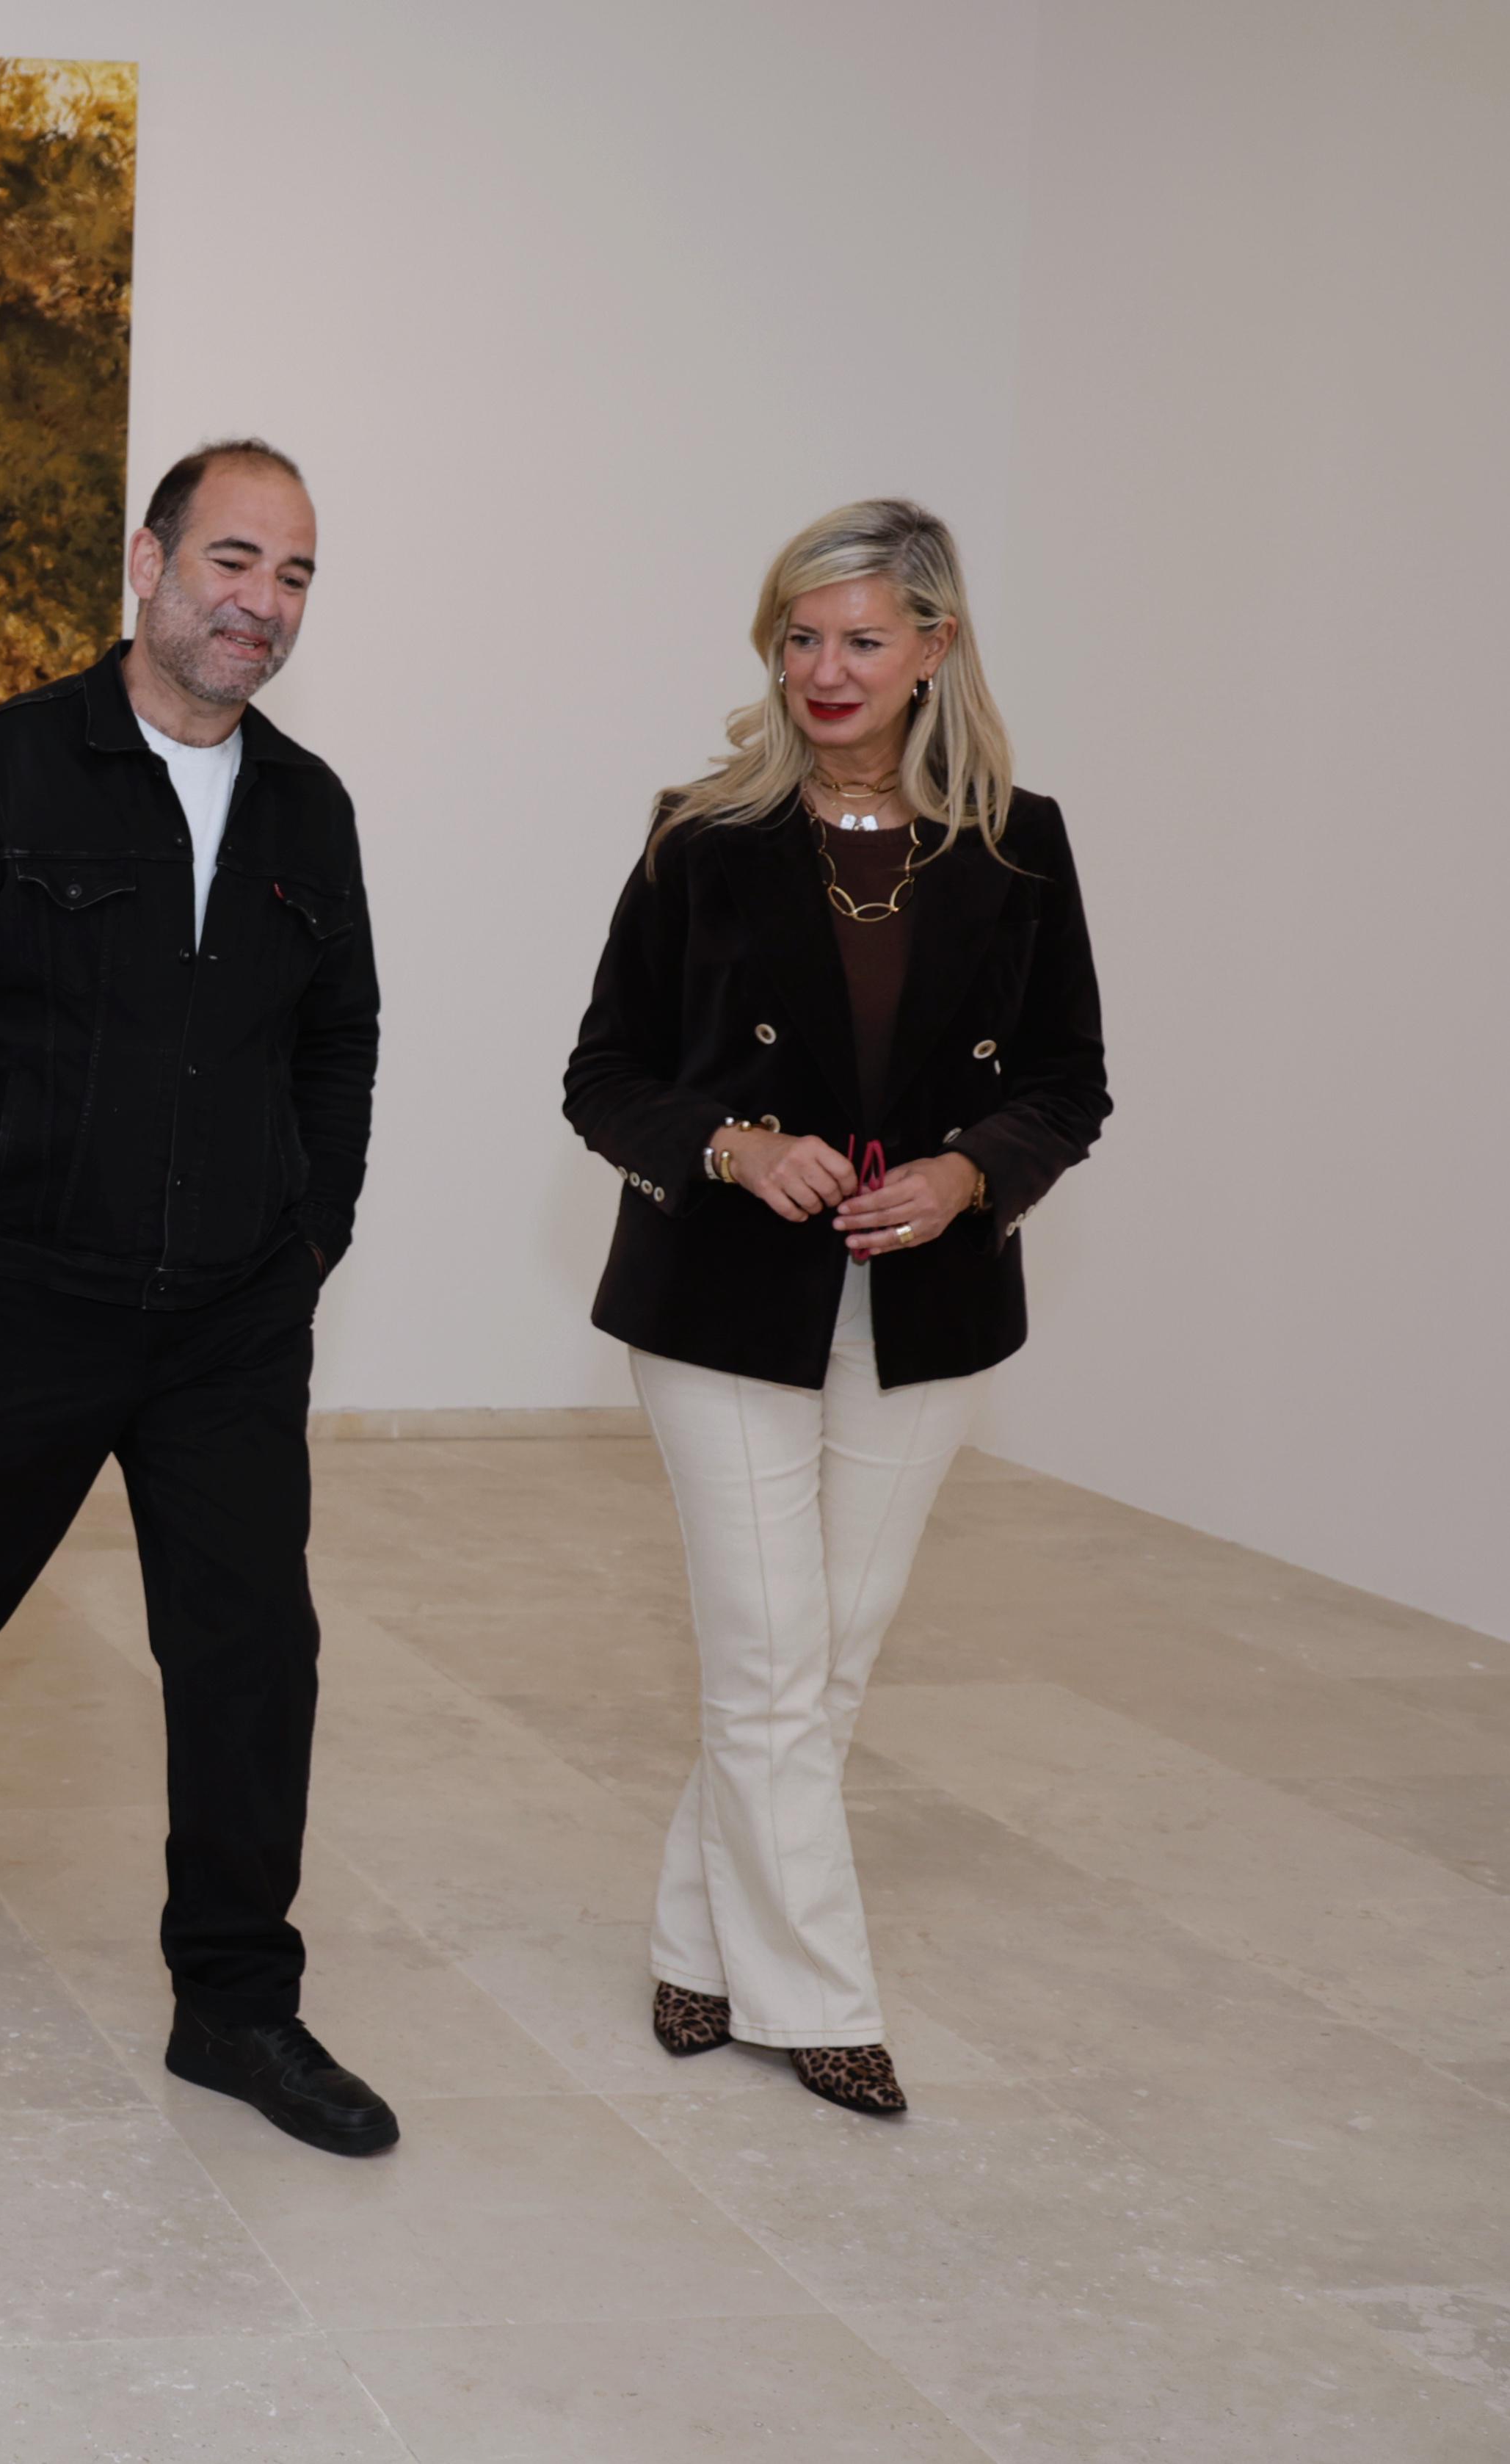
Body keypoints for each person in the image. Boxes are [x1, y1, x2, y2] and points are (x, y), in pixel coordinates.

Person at [0, 440, 395, 2157]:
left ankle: (236, 2000)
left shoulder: (307, 807)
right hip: (23, 1300)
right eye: (231, 560)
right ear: (147, 563)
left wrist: (310, 1240)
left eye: (292, 575)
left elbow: (339, 1041)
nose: (259, 603)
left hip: (231, 1317)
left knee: (251, 1649)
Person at [563, 499, 1108, 2115]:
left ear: (935, 647)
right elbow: (602, 1074)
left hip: (927, 1312)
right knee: (766, 1660)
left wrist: (969, 1174)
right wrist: (729, 1145)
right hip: (723, 1306)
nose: (825, 669)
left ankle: (696, 1946)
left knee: (823, 1666)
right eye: (800, 637)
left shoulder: (1020, 843)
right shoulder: (698, 837)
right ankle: (820, 2000)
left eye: (862, 638)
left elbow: (1070, 1083)